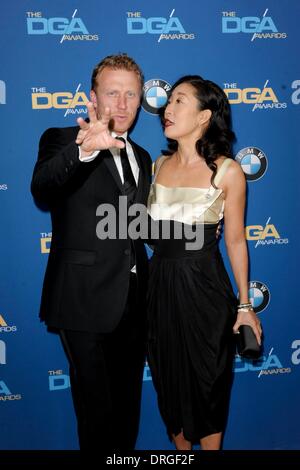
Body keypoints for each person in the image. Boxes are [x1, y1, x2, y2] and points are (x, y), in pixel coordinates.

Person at [31, 53, 152, 452]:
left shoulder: (143, 157)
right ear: (93, 98)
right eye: (112, 93)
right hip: (82, 298)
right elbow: (43, 188)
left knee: (127, 412)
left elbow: (136, 227)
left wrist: (197, 232)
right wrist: (84, 151)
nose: (122, 103)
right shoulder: (63, 139)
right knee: (96, 414)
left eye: (131, 94)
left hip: (134, 302)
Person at [147, 75, 262, 450]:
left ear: (204, 116)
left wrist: (245, 306)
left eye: (180, 101)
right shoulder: (156, 166)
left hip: (205, 291)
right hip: (159, 290)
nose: (168, 108)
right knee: (170, 388)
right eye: (169, 101)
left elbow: (235, 240)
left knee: (208, 388)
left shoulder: (227, 170)